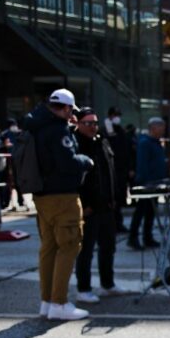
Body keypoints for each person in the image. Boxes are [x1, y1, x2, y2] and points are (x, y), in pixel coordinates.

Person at [24, 89, 94, 320]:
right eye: (70, 110)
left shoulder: (38, 124)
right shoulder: (57, 130)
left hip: (42, 195)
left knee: (49, 248)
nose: (71, 115)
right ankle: (59, 303)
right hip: (63, 195)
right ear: (65, 108)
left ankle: (47, 301)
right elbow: (67, 162)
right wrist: (86, 161)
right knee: (69, 246)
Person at [73, 107, 123, 303]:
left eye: (95, 123)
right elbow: (77, 179)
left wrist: (114, 199)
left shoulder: (101, 141)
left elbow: (110, 170)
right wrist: (83, 206)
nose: (93, 127)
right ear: (78, 123)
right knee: (85, 250)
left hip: (106, 205)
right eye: (88, 123)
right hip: (88, 208)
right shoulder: (75, 144)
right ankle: (83, 288)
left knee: (108, 247)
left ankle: (107, 283)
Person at [127, 116, 167, 250]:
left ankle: (147, 237)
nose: (163, 130)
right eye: (161, 127)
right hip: (147, 184)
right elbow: (142, 164)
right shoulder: (145, 143)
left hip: (156, 183)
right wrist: (145, 182)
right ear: (153, 128)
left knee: (151, 212)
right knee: (141, 211)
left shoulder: (156, 143)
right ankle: (133, 238)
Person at [104, 107, 133, 233]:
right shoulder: (105, 130)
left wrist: (130, 168)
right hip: (111, 171)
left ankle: (118, 223)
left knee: (120, 199)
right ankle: (111, 225)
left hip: (121, 171)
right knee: (112, 199)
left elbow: (126, 150)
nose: (117, 117)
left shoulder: (120, 130)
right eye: (115, 115)